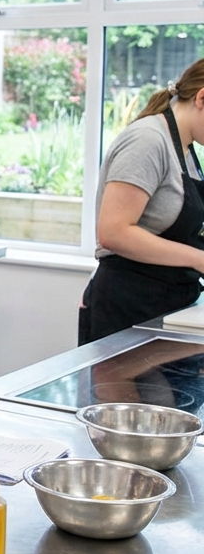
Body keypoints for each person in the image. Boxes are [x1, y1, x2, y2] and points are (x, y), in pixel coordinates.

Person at [79, 60, 204, 344]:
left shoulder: (185, 148)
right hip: (128, 307)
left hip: (167, 302)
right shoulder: (148, 140)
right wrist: (199, 259)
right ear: (201, 98)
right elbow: (113, 232)